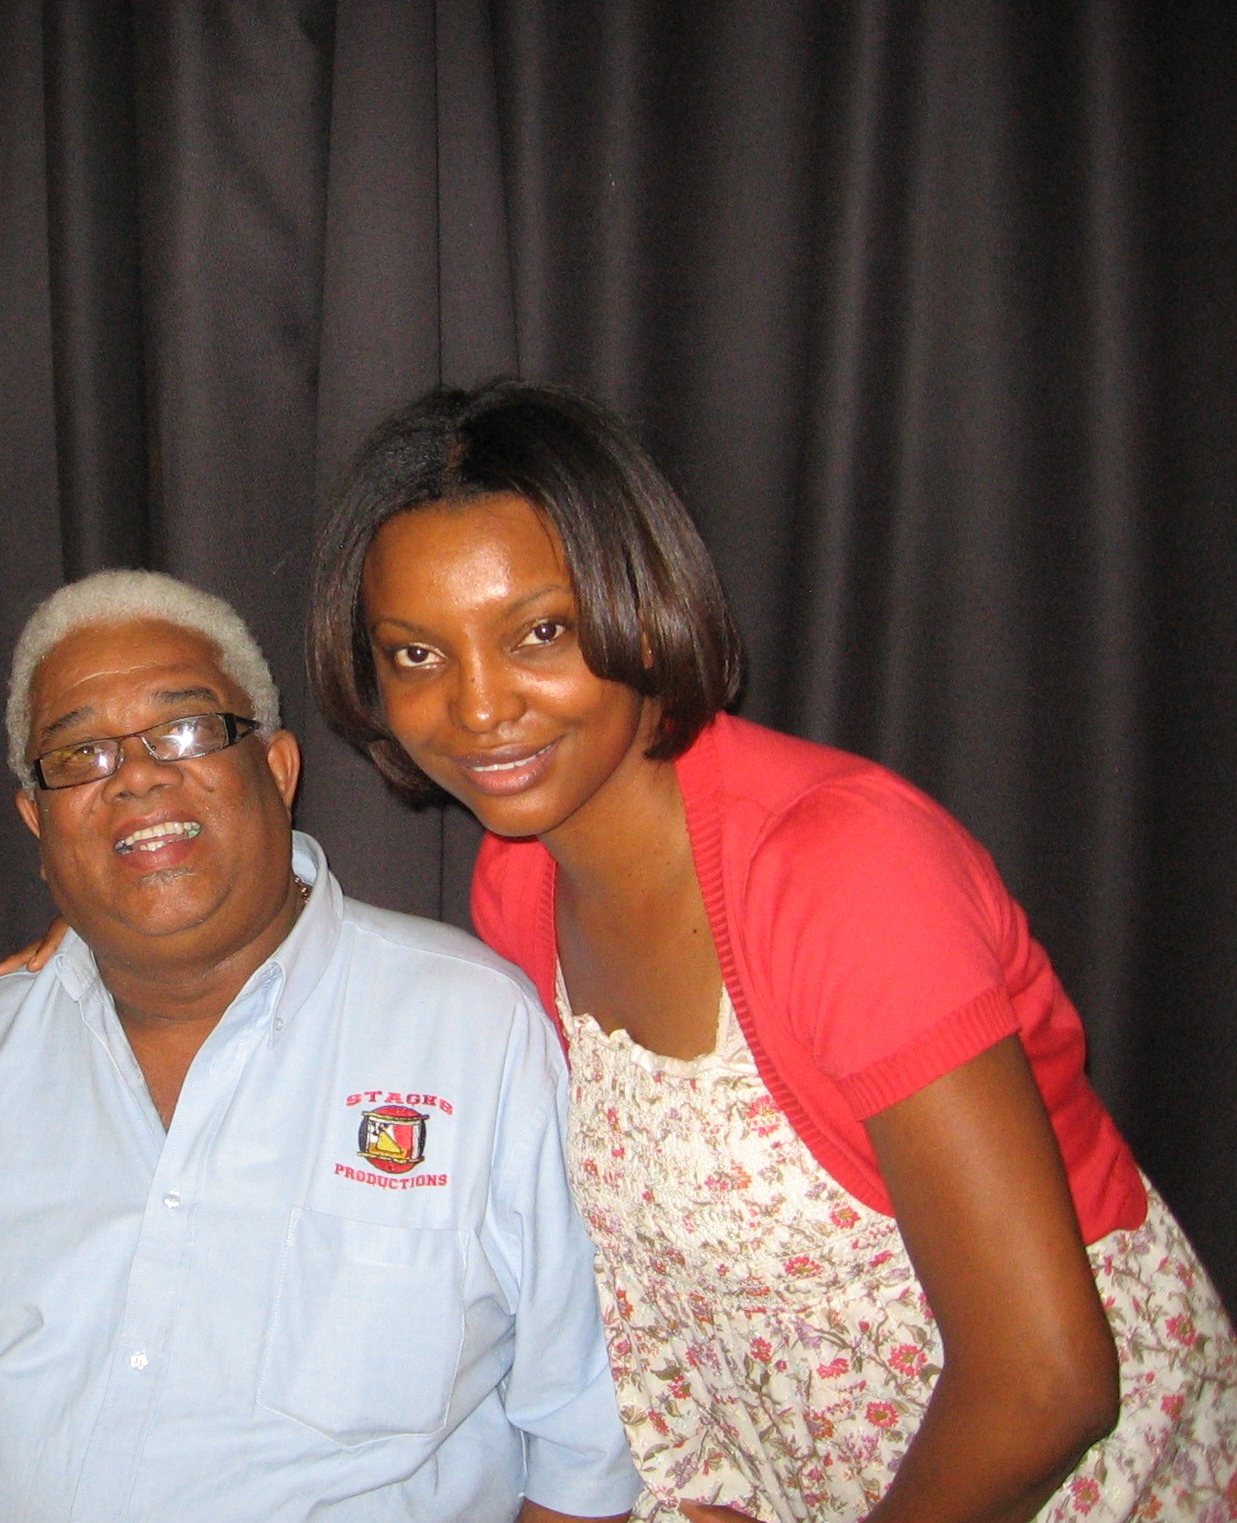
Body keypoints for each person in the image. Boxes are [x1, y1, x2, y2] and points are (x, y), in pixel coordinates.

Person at [301, 378, 1237, 1521]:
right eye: (415, 655)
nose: (479, 706)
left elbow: (1046, 1380)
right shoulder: (522, 885)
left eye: (539, 631)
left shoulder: (841, 870)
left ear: (640, 607)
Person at [0, 570, 643, 1523]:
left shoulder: (473, 1033)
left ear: (276, 769)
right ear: (38, 820)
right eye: (79, 754)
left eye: (185, 730)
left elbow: (581, 1449)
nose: (137, 775)